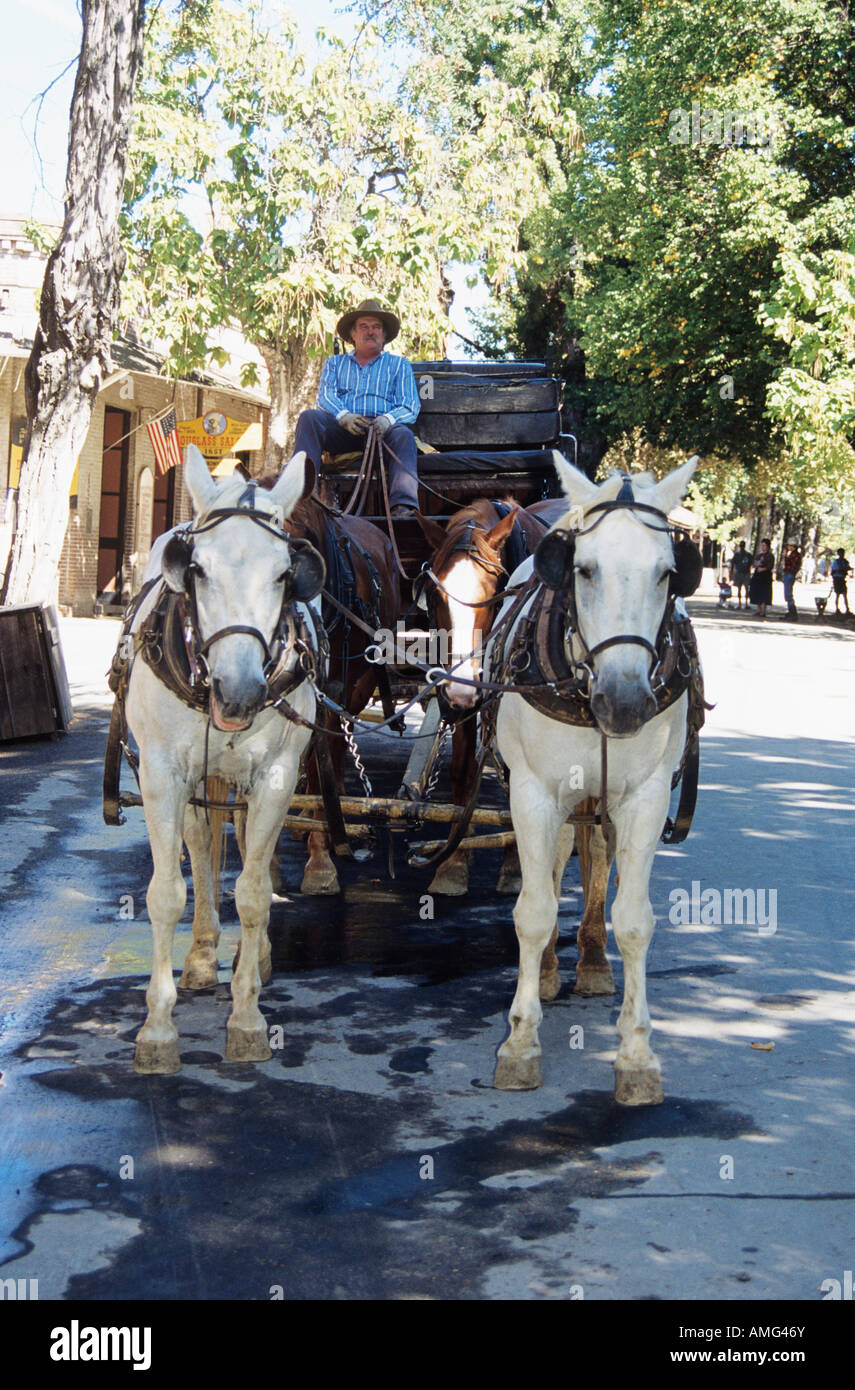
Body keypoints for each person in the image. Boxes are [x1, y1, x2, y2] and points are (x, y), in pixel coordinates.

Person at [293, 298, 421, 517]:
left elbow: (410, 405)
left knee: (403, 435)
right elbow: (325, 395)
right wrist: (343, 416)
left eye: (376, 327)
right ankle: (302, 495)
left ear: (384, 335)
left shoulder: (399, 364)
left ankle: (403, 506)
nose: (370, 332)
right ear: (353, 334)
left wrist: (386, 420)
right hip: (343, 428)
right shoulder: (335, 363)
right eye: (364, 326)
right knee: (309, 418)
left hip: (382, 433)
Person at [748, 538, 774, 618]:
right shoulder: (759, 555)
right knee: (757, 592)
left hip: (765, 576)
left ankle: (763, 611)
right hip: (757, 576)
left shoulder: (770, 556)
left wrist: (763, 569)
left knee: (764, 593)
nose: (763, 547)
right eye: (762, 545)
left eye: (764, 546)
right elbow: (755, 563)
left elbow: (770, 566)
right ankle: (758, 610)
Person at [729, 540, 752, 609]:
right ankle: (739, 603)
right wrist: (731, 573)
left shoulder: (748, 555)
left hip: (746, 573)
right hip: (739, 573)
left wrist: (750, 572)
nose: (742, 547)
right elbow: (733, 564)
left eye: (743, 546)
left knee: (746, 588)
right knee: (739, 589)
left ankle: (746, 603)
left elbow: (751, 564)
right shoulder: (737, 555)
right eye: (741, 546)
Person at [782, 544, 802, 620]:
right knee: (788, 594)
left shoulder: (794, 555)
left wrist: (784, 555)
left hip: (790, 574)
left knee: (788, 594)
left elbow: (786, 563)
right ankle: (790, 612)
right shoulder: (794, 555)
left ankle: (793, 613)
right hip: (789, 574)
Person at [831, 548, 851, 615]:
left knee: (845, 595)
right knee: (837, 595)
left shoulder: (845, 561)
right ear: (838, 554)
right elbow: (835, 570)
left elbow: (847, 568)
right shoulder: (836, 562)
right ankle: (837, 609)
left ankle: (847, 609)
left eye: (843, 553)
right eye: (841, 553)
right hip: (837, 579)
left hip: (842, 579)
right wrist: (842, 569)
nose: (842, 554)